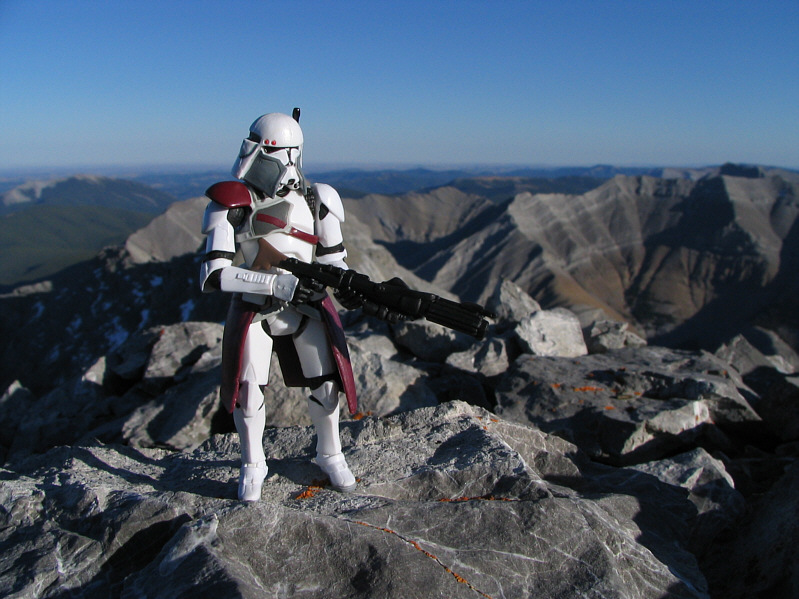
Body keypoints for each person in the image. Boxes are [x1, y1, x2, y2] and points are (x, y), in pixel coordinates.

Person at [199, 109, 358, 501]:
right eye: (274, 154)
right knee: (248, 391)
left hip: (307, 304)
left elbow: (333, 258)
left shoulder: (318, 198)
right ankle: (253, 463)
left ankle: (330, 453)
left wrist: (350, 285)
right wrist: (273, 283)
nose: (284, 164)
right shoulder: (233, 202)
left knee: (326, 384)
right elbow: (214, 273)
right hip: (256, 307)